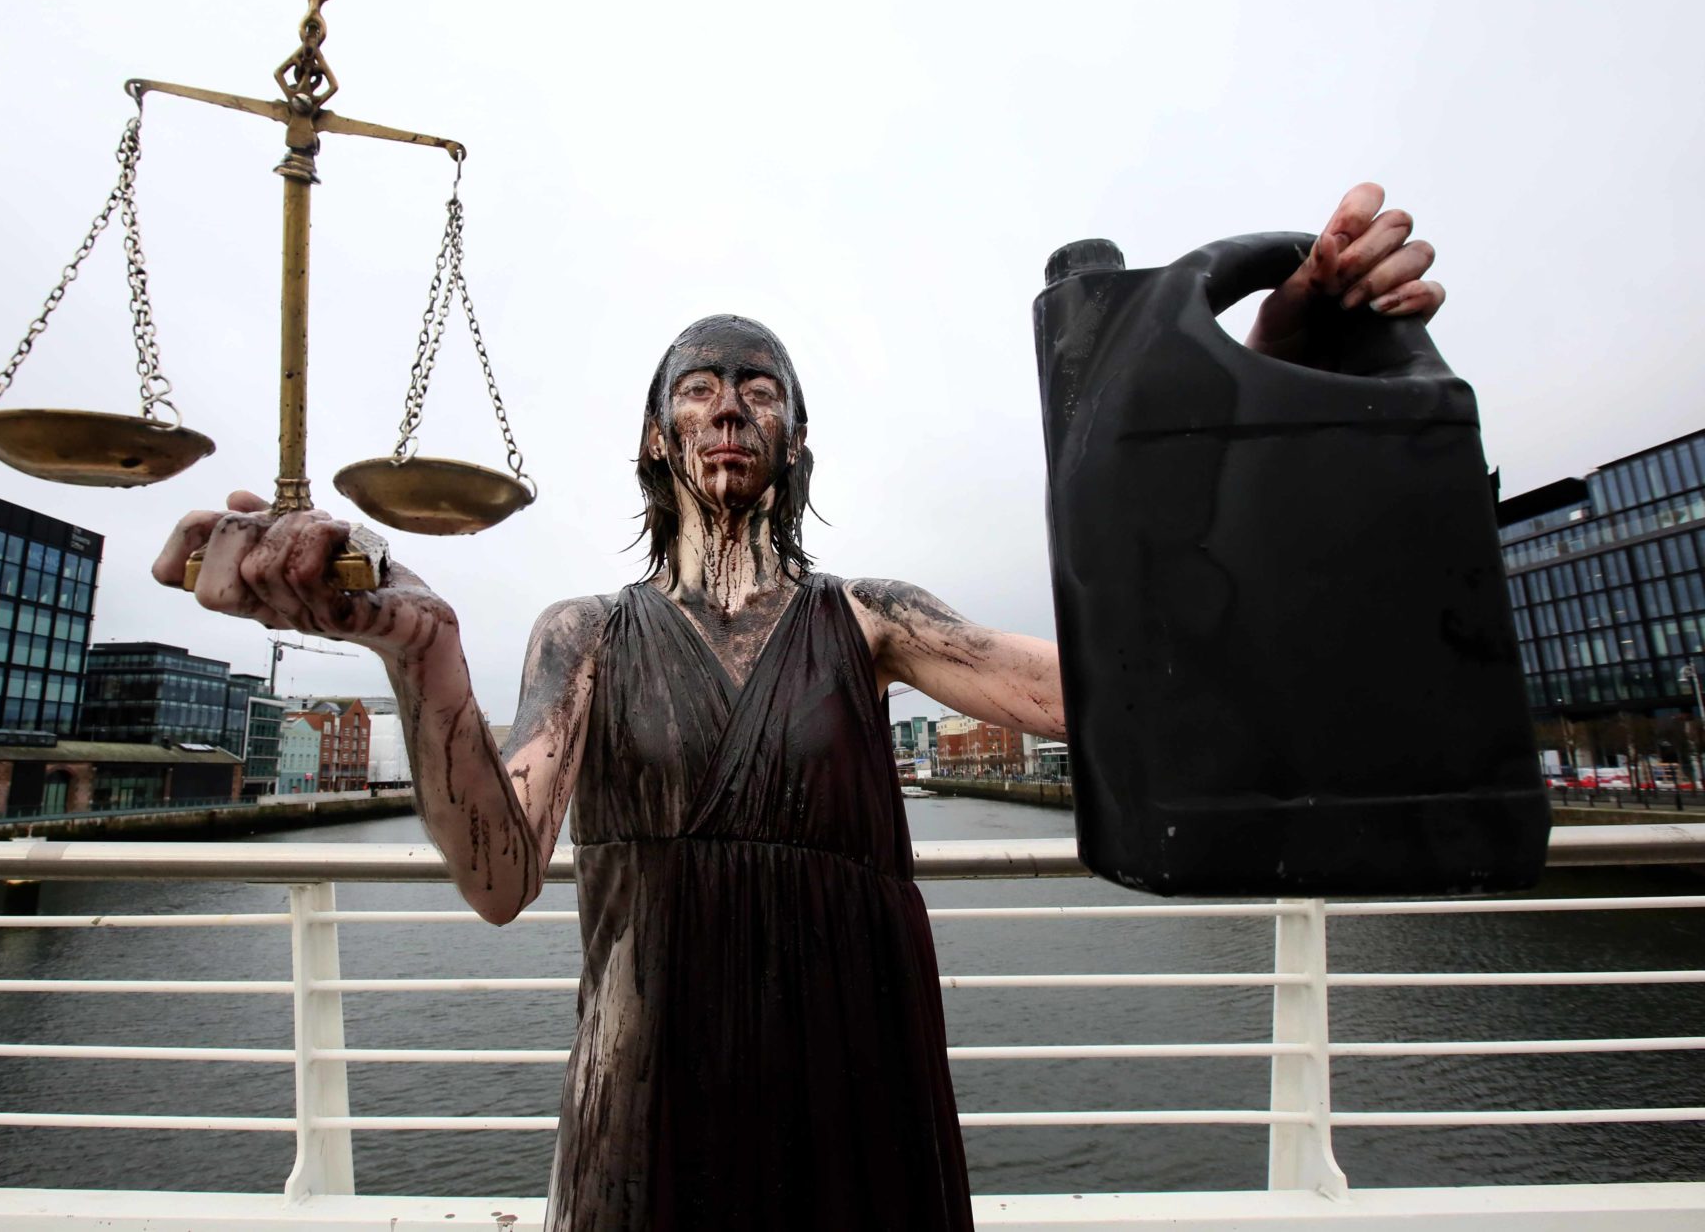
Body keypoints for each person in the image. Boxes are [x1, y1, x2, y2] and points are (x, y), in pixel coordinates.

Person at [155, 183, 1443, 1230]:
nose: (728, 405)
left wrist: (1265, 385)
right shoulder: (587, 637)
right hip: (645, 1106)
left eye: (758, 386)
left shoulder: (872, 621)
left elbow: (1124, 680)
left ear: (796, 434)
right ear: (659, 437)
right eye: (699, 388)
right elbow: (498, 874)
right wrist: (423, 653)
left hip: (858, 1085)